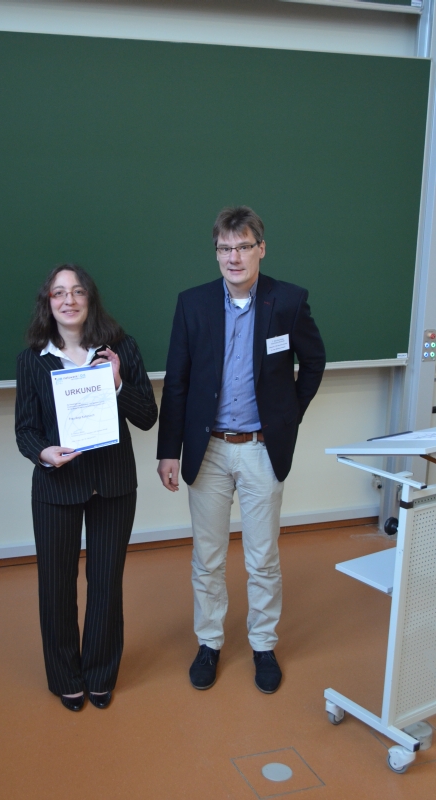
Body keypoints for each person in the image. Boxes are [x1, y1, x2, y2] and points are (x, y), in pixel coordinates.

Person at [157, 206, 325, 694]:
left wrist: (287, 415)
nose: (234, 257)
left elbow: (314, 361)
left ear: (261, 249)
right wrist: (169, 450)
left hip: (259, 449)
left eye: (243, 246)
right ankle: (209, 642)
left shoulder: (287, 301)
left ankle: (263, 644)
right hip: (208, 449)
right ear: (216, 253)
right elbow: (178, 381)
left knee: (262, 557)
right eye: (225, 248)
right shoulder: (192, 304)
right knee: (207, 557)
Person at [16, 264, 157, 712]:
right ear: (48, 303)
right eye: (59, 293)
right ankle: (65, 677)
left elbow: (147, 416)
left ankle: (99, 674)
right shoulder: (33, 359)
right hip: (57, 485)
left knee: (106, 582)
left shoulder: (121, 349)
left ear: (90, 299)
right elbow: (25, 430)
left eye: (77, 292)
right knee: (56, 584)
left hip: (113, 485)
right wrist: (44, 453)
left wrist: (117, 382)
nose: (69, 300)